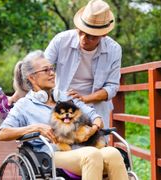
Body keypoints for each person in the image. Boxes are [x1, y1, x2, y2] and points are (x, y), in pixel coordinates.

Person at [0, 50, 128, 180]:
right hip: (52, 154)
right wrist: (36, 128)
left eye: (52, 69)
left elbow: (95, 116)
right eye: (46, 70)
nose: (52, 73)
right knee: (91, 154)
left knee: (113, 153)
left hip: (82, 147)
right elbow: (3, 133)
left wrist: (93, 128)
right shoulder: (24, 105)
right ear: (32, 77)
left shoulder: (66, 97)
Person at [44, 0, 122, 129]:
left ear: (103, 34)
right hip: (62, 105)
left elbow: (112, 87)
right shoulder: (61, 40)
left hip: (96, 108)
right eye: (81, 32)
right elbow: (41, 69)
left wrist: (85, 99)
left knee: (96, 146)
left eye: (91, 37)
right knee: (61, 143)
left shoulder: (114, 49)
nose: (83, 39)